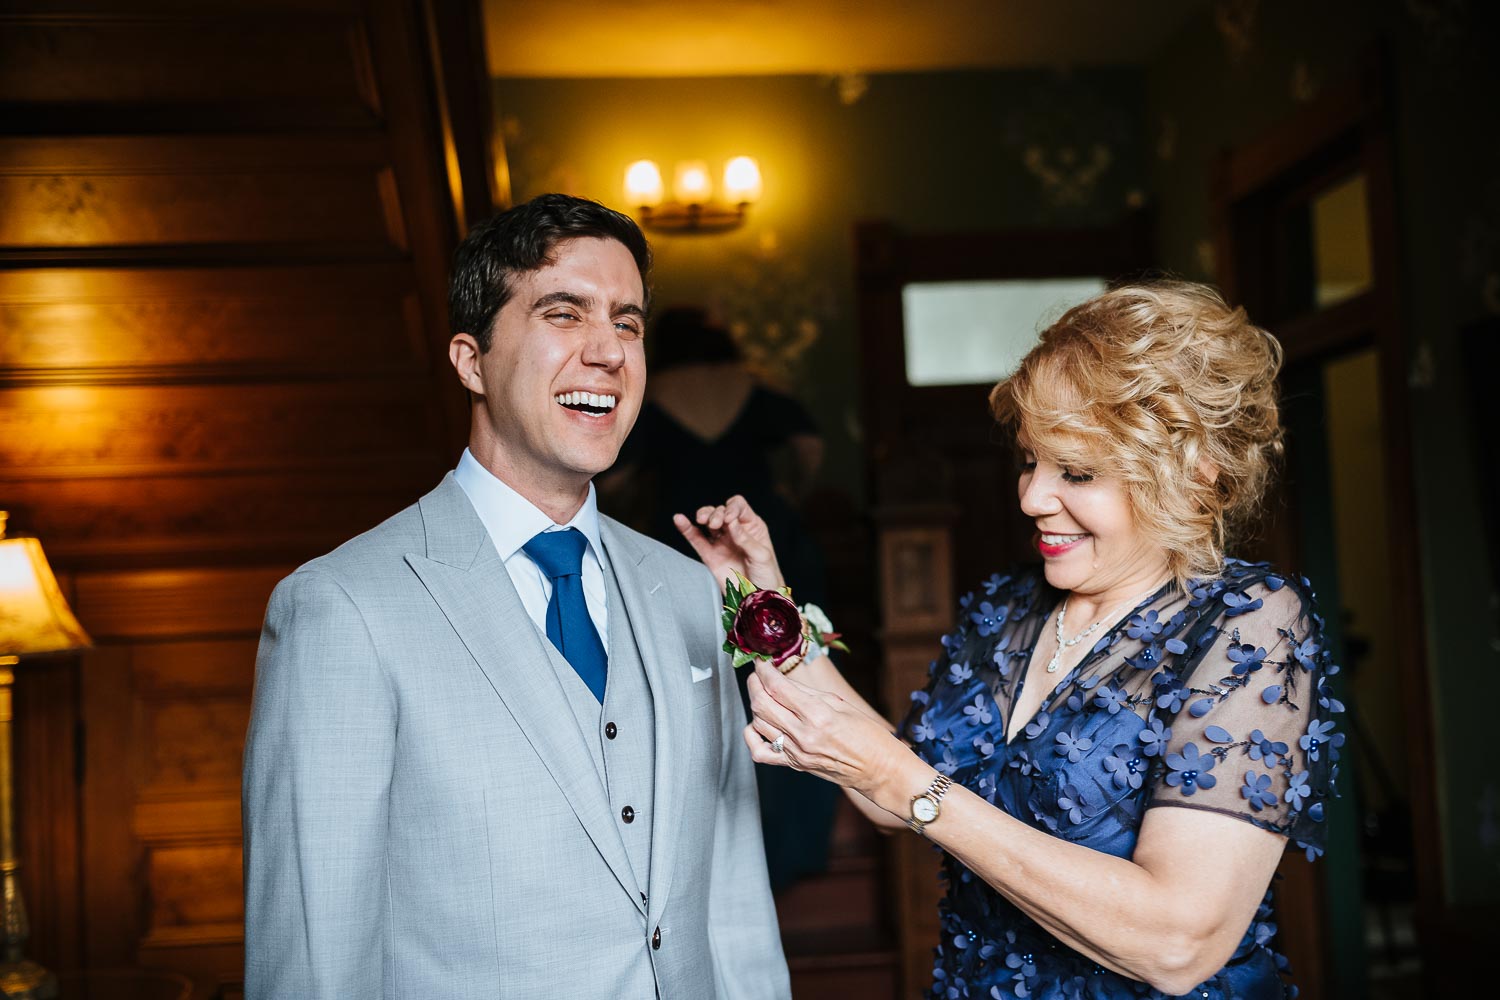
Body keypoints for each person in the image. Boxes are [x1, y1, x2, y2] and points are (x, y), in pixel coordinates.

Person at [681, 282, 1341, 999]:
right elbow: (884, 791)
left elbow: (1178, 944)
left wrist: (906, 784)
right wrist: (763, 601)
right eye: (1031, 460)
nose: (1030, 497)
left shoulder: (1245, 624)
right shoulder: (1010, 609)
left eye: (1077, 472)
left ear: (1193, 476)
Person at [242, 194, 790, 1000]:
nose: (609, 351)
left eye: (629, 323)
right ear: (471, 360)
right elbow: (318, 955)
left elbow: (734, 895)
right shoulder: (341, 609)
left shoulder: (685, 589)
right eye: (564, 314)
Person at [604, 305, 838, 890]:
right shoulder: (754, 388)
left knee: (701, 697)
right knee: (789, 687)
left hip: (681, 549)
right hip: (764, 540)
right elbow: (810, 444)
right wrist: (790, 492)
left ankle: (717, 854)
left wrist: (632, 509)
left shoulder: (652, 397)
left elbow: (609, 477)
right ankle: (793, 847)